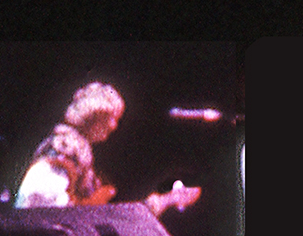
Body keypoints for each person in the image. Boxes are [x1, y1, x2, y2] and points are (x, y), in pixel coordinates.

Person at [13, 82, 200, 216]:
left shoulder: (73, 150)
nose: (113, 126)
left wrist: (162, 202)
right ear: (92, 117)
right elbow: (43, 210)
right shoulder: (65, 150)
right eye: (109, 118)